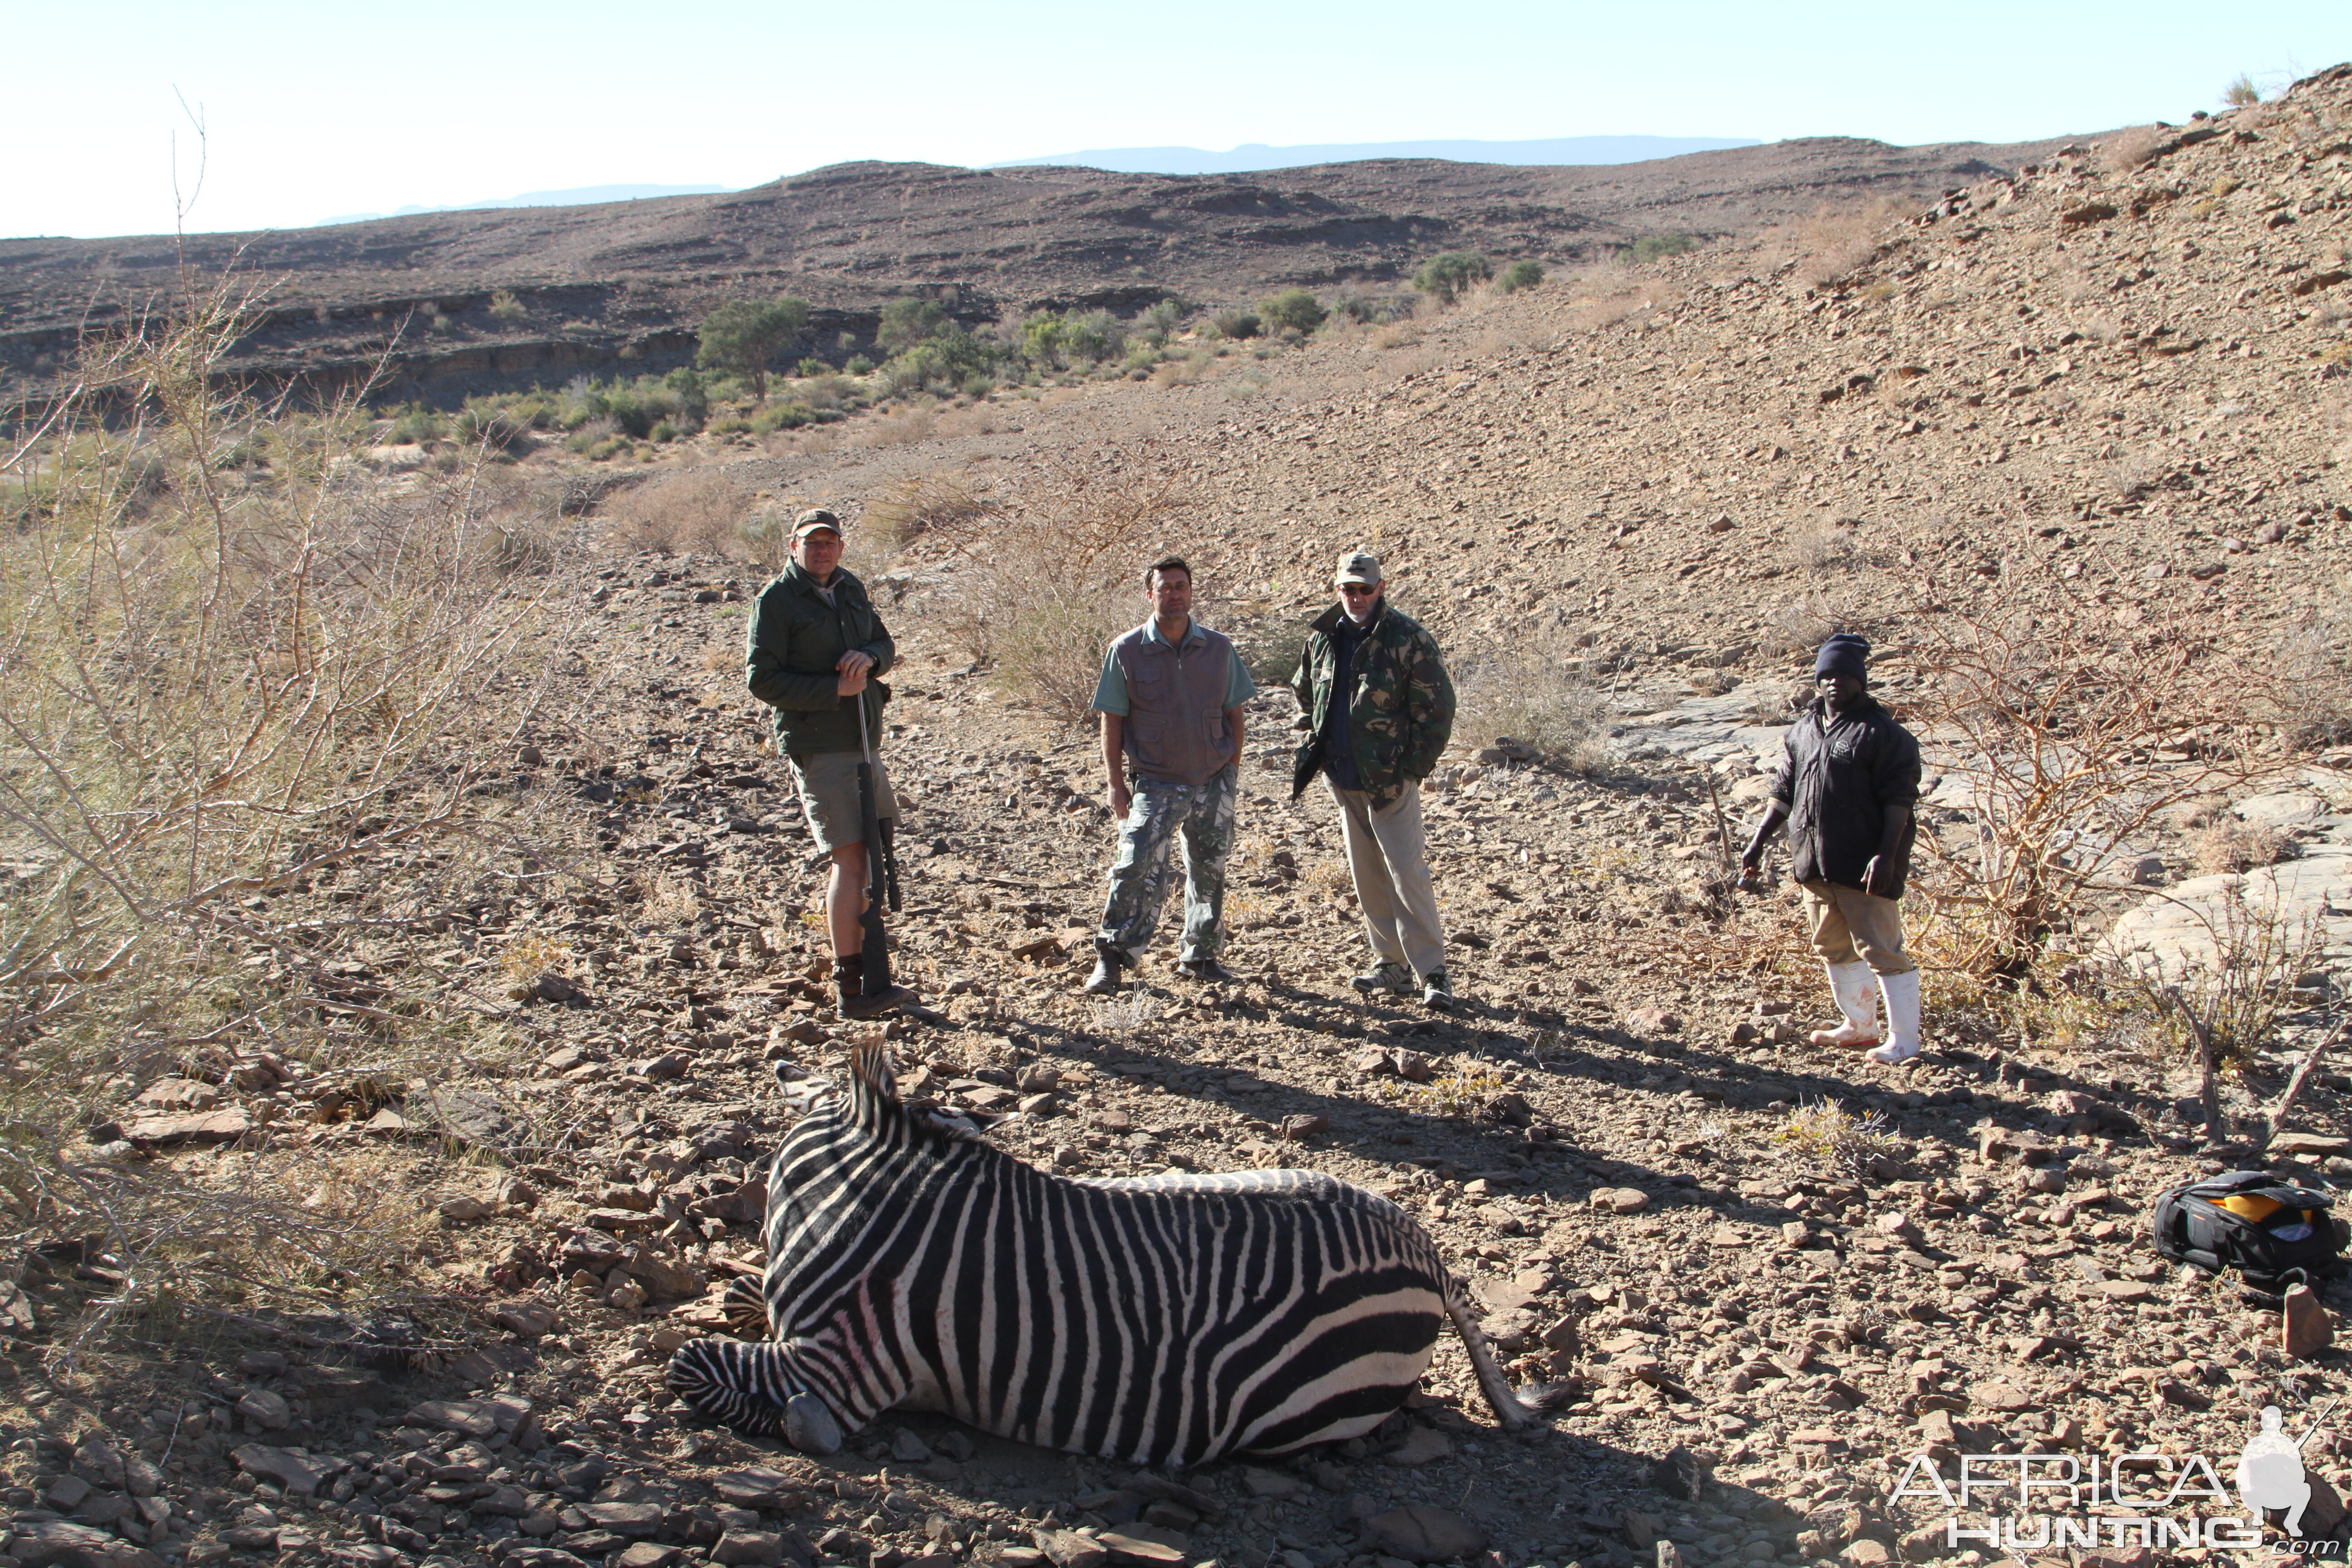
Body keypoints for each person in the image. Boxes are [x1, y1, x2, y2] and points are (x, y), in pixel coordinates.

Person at [745, 509, 915, 1019]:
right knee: (850, 861)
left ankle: (873, 978)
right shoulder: (775, 601)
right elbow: (762, 680)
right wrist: (831, 690)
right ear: (792, 547)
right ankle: (852, 987)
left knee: (871, 857)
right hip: (821, 745)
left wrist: (870, 659)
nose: (821, 550)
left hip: (865, 740)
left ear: (841, 547)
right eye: (811, 543)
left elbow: (884, 644)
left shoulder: (851, 588)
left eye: (829, 542)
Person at [1738, 632, 1923, 1064]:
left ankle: (1905, 1040)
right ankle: (1859, 1025)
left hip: (1864, 862)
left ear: (1861, 681)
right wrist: (1759, 840)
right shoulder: (1804, 730)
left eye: (1845, 674)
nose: (1835, 682)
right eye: (1827, 675)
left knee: (1882, 948)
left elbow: (1900, 801)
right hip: (1814, 859)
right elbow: (1784, 790)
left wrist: (1886, 854)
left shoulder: (1884, 735)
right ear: (1817, 681)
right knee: (1832, 946)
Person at [1289, 551, 1459, 1009]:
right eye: (1349, 588)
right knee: (1368, 876)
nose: (1357, 597)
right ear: (1337, 588)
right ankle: (1391, 965)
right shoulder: (1323, 637)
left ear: (1381, 588)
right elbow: (1304, 691)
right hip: (1344, 778)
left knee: (1407, 873)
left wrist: (1412, 769)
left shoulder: (1408, 637)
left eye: (1366, 589)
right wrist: (1315, 743)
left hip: (1391, 781)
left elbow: (1438, 709)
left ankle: (1433, 972)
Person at [1083, 555, 1256, 993]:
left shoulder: (1218, 649)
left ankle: (1200, 955)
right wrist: (1115, 783)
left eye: (1181, 586)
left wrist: (1230, 770)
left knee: (1210, 869)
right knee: (1136, 864)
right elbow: (1113, 721)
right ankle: (1113, 957)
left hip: (1214, 779)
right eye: (1165, 588)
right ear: (1150, 595)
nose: (1174, 594)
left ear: (1191, 592)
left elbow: (1234, 712)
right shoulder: (1126, 650)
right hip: (1157, 780)